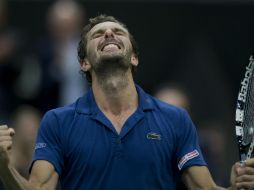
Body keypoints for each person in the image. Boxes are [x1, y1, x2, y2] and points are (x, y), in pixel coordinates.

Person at [0, 14, 254, 190]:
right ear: (84, 63)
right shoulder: (57, 122)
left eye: (118, 32)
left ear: (134, 58)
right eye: (98, 34)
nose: (109, 33)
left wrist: (235, 187)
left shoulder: (175, 119)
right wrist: (3, 166)